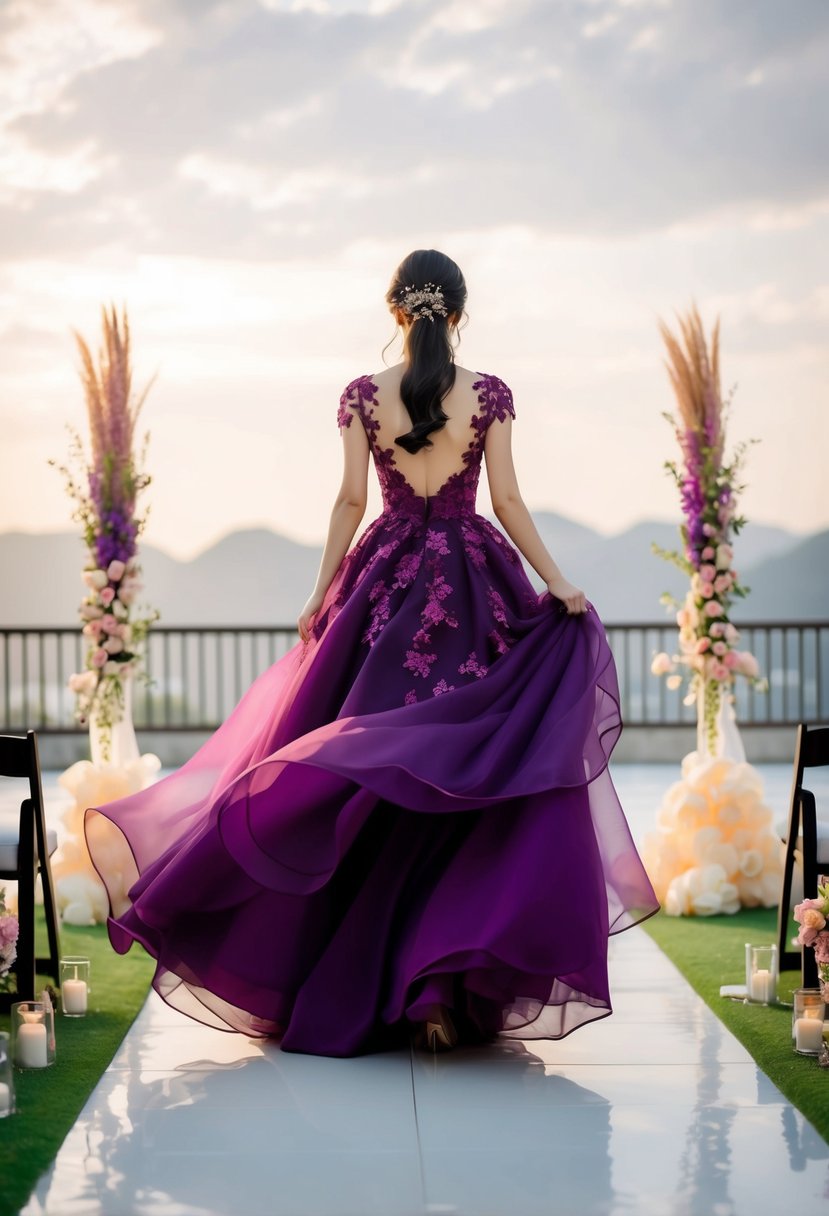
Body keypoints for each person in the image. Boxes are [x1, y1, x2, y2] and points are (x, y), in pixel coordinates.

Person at [85, 249, 658, 1058]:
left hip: (384, 589)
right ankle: (437, 992)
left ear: (396, 312)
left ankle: (382, 989)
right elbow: (507, 500)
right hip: (472, 582)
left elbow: (352, 499)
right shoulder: (486, 394)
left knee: (362, 779)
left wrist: (323, 592)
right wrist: (557, 581)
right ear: (458, 311)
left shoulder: (363, 395)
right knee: (466, 783)